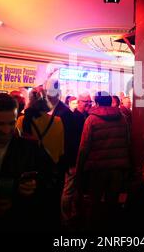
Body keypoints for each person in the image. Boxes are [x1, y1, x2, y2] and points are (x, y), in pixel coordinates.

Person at [0, 93, 58, 231]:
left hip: (20, 222)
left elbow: (52, 177)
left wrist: (37, 185)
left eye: (11, 123)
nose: (6, 130)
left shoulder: (31, 147)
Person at [75, 91, 131, 231]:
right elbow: (127, 142)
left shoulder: (91, 120)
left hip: (97, 168)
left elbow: (84, 147)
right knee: (112, 203)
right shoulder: (122, 118)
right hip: (117, 168)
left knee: (95, 203)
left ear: (97, 102)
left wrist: (79, 168)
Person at [44, 79, 79, 229]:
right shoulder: (59, 111)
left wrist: (69, 162)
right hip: (57, 159)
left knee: (62, 191)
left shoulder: (63, 113)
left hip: (61, 160)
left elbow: (70, 139)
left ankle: (63, 220)